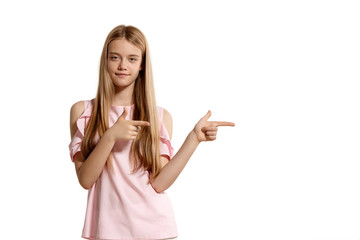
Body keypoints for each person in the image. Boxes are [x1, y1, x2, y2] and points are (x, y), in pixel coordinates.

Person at [68, 24, 235, 240]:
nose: (122, 66)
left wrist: (194, 139)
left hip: (155, 230)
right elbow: (85, 180)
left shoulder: (159, 117)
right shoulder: (84, 112)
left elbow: (159, 183)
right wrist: (110, 136)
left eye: (132, 59)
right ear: (105, 61)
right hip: (107, 230)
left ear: (142, 65)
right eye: (115, 57)